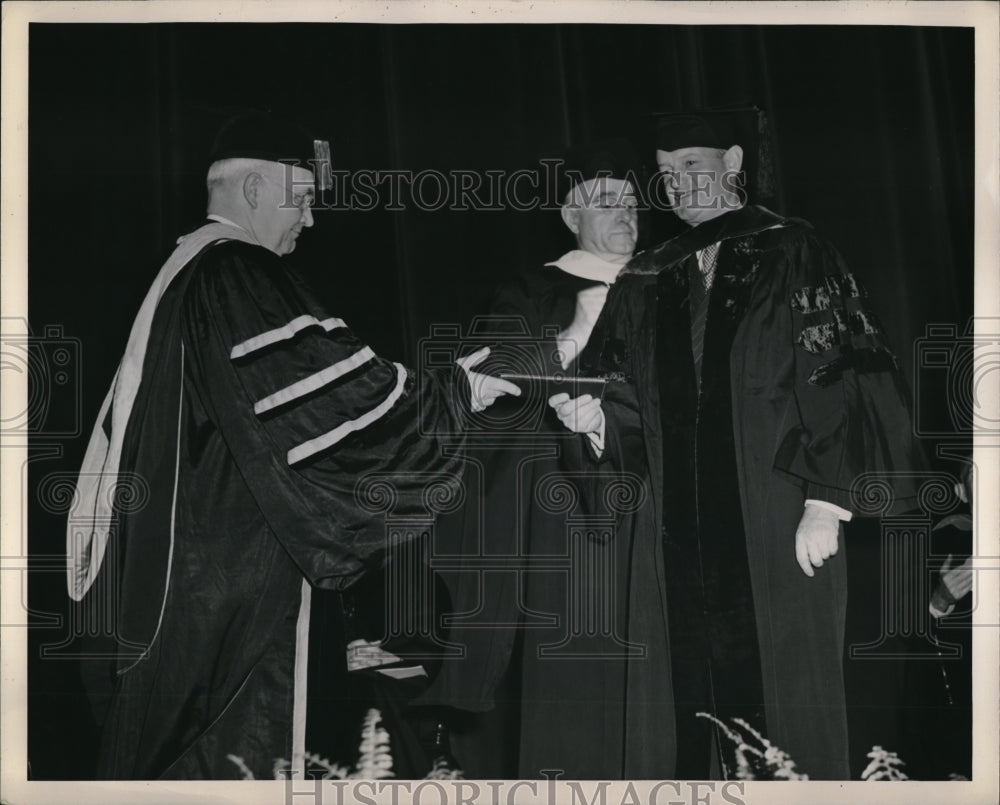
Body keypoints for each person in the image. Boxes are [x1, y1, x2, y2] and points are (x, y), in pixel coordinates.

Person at [65, 112, 518, 780]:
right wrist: (455, 393)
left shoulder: (179, 272)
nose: (310, 220)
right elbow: (332, 405)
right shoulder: (234, 271)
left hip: (175, 596)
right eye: (302, 198)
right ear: (253, 192)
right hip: (225, 611)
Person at [549, 108, 925, 779]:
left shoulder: (792, 248)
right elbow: (619, 395)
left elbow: (839, 371)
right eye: (665, 173)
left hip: (775, 518)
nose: (678, 184)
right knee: (684, 714)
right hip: (674, 532)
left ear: (732, 164)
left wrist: (828, 499)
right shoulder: (647, 276)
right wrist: (595, 421)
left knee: (790, 707)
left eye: (692, 165)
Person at [418, 140, 645, 778]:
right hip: (567, 517)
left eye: (633, 202)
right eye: (607, 202)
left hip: (655, 511)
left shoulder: (667, 283)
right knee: (576, 680)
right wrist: (573, 335)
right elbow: (495, 388)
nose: (626, 214)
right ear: (571, 217)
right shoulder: (533, 288)